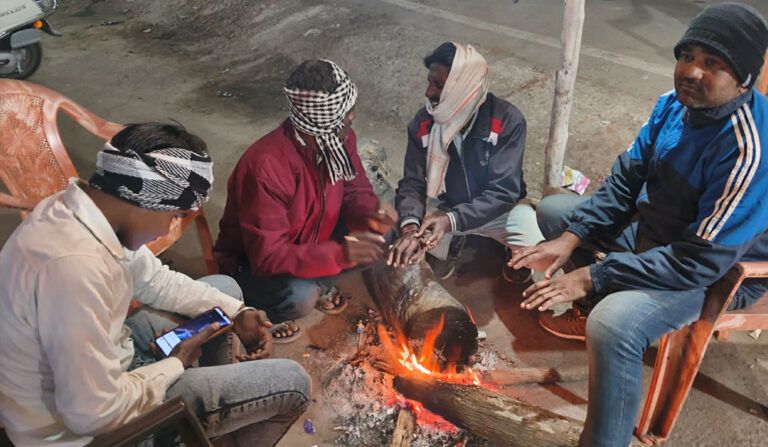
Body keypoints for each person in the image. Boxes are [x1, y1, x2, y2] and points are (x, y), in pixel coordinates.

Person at [509, 4, 768, 445]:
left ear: (742, 78)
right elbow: (627, 179)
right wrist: (571, 239)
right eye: (687, 56)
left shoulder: (747, 150)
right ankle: (602, 290)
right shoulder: (672, 106)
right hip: (660, 234)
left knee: (612, 325)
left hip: (719, 271)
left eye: (712, 63)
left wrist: (594, 276)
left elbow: (698, 263)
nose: (691, 71)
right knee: (555, 213)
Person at [0, 123, 311, 446]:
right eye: (175, 215)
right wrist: (174, 364)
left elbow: (156, 280)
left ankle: (215, 413)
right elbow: (93, 413)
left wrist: (240, 312)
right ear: (147, 199)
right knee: (292, 383)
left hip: (103, 368)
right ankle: (201, 423)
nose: (168, 229)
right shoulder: (73, 269)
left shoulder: (80, 211)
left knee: (225, 293)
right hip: (86, 431)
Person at [214, 60, 386, 342]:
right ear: (321, 123)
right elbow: (268, 257)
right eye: (345, 113)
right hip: (255, 267)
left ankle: (315, 280)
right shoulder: (266, 167)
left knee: (385, 233)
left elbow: (356, 193)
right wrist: (337, 255)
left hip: (311, 245)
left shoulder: (340, 141)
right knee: (300, 297)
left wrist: (372, 216)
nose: (352, 117)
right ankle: (263, 310)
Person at [389, 42, 543, 280]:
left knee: (540, 253)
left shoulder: (507, 121)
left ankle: (500, 249)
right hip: (446, 206)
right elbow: (412, 183)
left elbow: (503, 192)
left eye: (439, 85)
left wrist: (450, 221)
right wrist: (410, 229)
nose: (428, 93)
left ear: (464, 88)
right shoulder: (423, 123)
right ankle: (454, 240)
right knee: (398, 228)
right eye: (429, 83)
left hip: (497, 211)